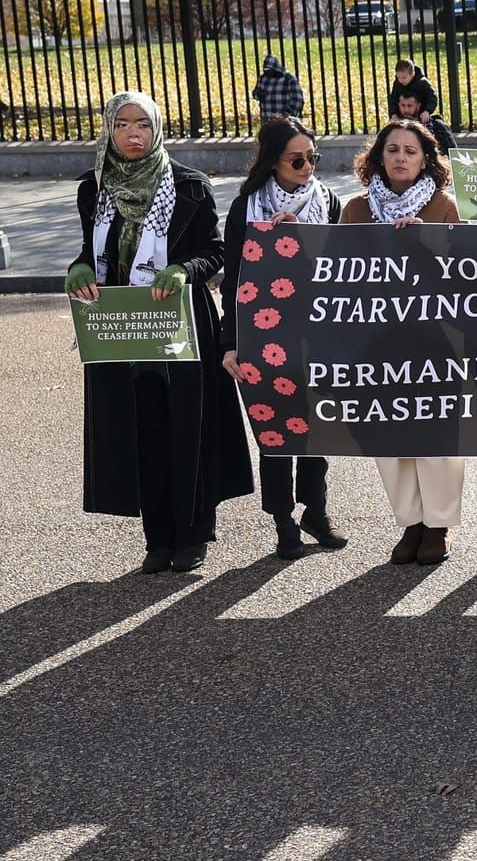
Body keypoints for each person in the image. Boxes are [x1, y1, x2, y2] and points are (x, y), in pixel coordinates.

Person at [65, 91, 250, 574]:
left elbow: (216, 251)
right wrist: (79, 266)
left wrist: (183, 270)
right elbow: (92, 250)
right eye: (122, 124)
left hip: (180, 323)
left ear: (157, 129)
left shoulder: (188, 185)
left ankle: (193, 533)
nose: (133, 134)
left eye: (142, 125)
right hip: (123, 328)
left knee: (188, 425)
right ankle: (158, 535)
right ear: (109, 129)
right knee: (142, 428)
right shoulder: (95, 187)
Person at [218, 116, 348, 560]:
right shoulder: (246, 207)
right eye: (297, 159)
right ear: (274, 160)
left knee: (317, 431)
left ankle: (317, 510)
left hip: (316, 335)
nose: (308, 166)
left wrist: (301, 236)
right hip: (260, 339)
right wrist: (228, 343)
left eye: (313, 157)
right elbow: (232, 280)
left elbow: (341, 270)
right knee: (275, 436)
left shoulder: (329, 201)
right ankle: (282, 522)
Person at [340, 118, 462, 565]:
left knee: (435, 435)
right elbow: (339, 273)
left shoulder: (444, 206)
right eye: (392, 149)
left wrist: (423, 245)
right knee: (389, 437)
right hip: (376, 341)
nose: (401, 158)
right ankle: (410, 523)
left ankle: (438, 526)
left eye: (411, 151)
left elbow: (466, 272)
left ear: (426, 158)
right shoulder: (355, 209)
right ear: (378, 156)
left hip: (432, 339)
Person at [252, 54, 304, 122]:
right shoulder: (263, 78)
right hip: (267, 119)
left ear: (276, 68)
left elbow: (297, 99)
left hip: (286, 121)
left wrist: (289, 115)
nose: (267, 72)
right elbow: (255, 94)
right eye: (265, 69)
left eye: (269, 69)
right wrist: (258, 94)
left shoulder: (288, 79)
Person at [387, 59, 437, 123]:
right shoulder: (397, 84)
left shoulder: (422, 83)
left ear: (413, 74)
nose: (401, 80)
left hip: (421, 115)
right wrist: (394, 114)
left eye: (404, 78)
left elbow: (432, 98)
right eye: (399, 77)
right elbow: (393, 99)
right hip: (402, 115)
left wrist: (427, 111)